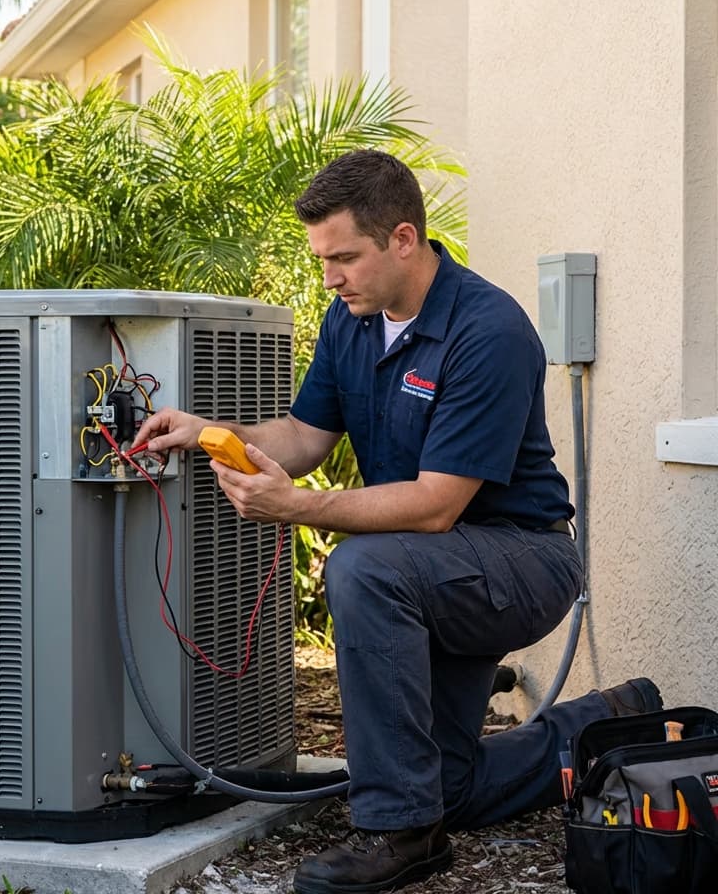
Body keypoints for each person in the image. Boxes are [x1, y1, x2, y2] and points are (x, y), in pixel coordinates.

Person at [132, 149, 661, 894]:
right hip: (430, 570)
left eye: (344, 257)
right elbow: (304, 437)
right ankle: (610, 721)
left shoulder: (488, 331)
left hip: (520, 563)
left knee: (360, 567)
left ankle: (397, 834)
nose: (329, 277)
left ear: (403, 239)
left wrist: (300, 510)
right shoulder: (351, 321)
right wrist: (207, 430)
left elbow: (436, 505)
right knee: (451, 787)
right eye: (321, 259)